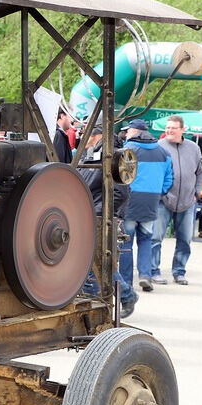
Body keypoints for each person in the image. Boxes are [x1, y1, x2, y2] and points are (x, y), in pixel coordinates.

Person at [75, 124, 132, 314]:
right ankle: (125, 295)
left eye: (84, 133)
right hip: (88, 215)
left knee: (96, 262)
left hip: (100, 217)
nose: (80, 136)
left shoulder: (113, 156)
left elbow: (120, 194)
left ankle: (104, 301)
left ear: (97, 135)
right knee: (95, 262)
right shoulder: (89, 154)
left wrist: (102, 213)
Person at [150, 115, 202, 285]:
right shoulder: (158, 147)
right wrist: (159, 193)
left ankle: (179, 271)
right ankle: (154, 271)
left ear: (182, 129)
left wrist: (197, 191)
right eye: (167, 127)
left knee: (185, 239)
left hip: (188, 201)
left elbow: (201, 171)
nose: (169, 130)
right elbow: (153, 173)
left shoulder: (194, 148)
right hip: (163, 201)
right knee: (155, 238)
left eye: (173, 128)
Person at [121, 119, 173, 299]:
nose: (126, 134)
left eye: (127, 131)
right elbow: (169, 178)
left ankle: (126, 282)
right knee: (146, 239)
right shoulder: (163, 152)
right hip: (151, 200)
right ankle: (145, 275)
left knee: (126, 242)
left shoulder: (128, 150)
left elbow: (120, 176)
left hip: (130, 199)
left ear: (134, 131)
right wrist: (159, 192)